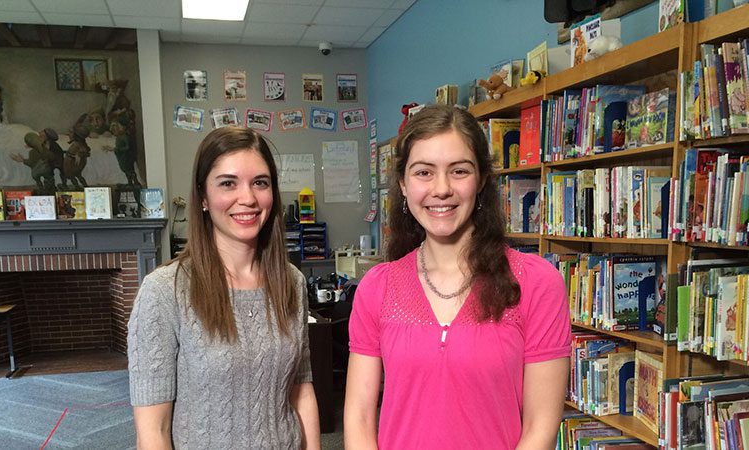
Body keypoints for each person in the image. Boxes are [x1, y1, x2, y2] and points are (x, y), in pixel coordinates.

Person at [344, 105, 571, 449]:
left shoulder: (536, 283)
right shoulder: (378, 287)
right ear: (403, 184)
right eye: (424, 172)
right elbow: (359, 418)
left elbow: (540, 427)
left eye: (459, 171)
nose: (442, 189)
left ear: (481, 180)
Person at [128, 126, 320, 449]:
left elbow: (301, 391)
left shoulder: (291, 282)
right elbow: (153, 431)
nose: (247, 198)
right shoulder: (164, 291)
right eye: (228, 183)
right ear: (203, 197)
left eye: (260, 182)